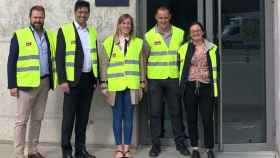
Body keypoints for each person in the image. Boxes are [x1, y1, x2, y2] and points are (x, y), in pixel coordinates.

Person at [7, 5, 57, 158]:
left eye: (41, 17)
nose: (38, 20)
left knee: (37, 119)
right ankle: (18, 154)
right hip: (25, 86)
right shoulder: (20, 35)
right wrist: (12, 85)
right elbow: (11, 61)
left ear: (44, 18)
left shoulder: (50, 36)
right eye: (35, 17)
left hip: (44, 83)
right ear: (30, 18)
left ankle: (33, 151)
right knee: (21, 121)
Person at [144, 6, 190, 157]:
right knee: (155, 113)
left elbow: (185, 56)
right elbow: (143, 59)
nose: (163, 20)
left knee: (176, 112)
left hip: (173, 78)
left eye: (166, 17)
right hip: (155, 79)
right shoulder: (148, 36)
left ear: (170, 17)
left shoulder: (180, 33)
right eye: (160, 18)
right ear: (156, 18)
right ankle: (155, 146)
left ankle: (180, 144)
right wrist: (143, 79)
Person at [55, 1, 98, 158]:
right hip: (72, 82)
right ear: (75, 12)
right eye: (80, 12)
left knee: (83, 118)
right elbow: (59, 57)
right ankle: (66, 151)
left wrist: (96, 79)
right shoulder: (65, 30)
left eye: (85, 12)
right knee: (68, 118)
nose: (83, 15)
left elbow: (95, 55)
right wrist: (62, 80)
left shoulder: (91, 31)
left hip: (88, 80)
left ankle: (80, 150)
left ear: (89, 13)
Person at [99, 14, 145, 158]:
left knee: (129, 117)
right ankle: (119, 148)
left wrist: (142, 83)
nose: (126, 26)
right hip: (115, 86)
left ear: (131, 26)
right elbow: (104, 65)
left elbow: (142, 65)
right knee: (117, 117)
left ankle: (127, 148)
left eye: (129, 24)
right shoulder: (108, 42)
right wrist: (104, 84)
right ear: (119, 25)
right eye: (124, 23)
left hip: (132, 85)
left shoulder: (138, 43)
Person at [178, 22, 220, 158]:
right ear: (190, 34)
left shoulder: (212, 48)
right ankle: (195, 148)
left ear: (203, 32)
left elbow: (216, 69)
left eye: (198, 30)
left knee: (207, 119)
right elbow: (179, 68)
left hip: (206, 87)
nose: (195, 33)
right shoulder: (184, 48)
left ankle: (209, 149)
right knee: (191, 119)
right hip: (189, 87)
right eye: (193, 31)